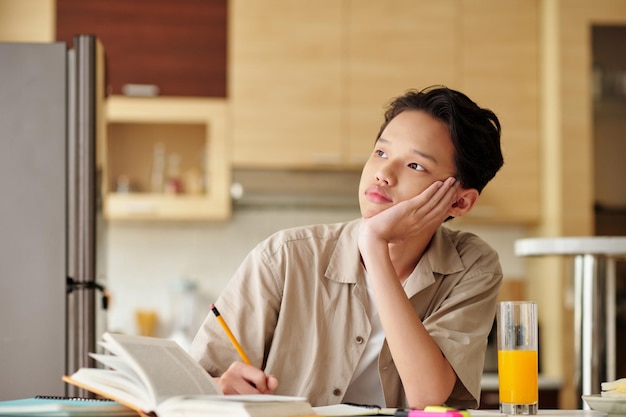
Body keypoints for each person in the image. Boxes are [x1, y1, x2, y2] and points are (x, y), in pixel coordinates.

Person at [189, 85, 504, 409]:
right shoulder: (283, 257)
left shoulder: (473, 266)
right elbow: (183, 387)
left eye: (415, 166)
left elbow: (427, 397)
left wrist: (374, 245)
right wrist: (218, 387)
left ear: (460, 201)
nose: (383, 174)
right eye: (381, 153)